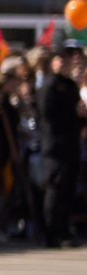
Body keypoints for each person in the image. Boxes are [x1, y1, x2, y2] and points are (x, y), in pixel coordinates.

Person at [40, 47, 80, 247]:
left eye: (67, 59)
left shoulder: (70, 84)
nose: (64, 63)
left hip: (71, 143)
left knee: (68, 189)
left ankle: (64, 230)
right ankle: (52, 232)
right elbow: (47, 113)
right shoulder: (50, 85)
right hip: (55, 144)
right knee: (56, 188)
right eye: (60, 59)